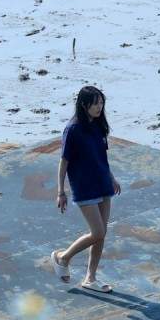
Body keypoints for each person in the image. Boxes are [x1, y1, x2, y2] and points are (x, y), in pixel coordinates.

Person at [51, 86, 121, 290]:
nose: (100, 107)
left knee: (102, 233)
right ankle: (63, 257)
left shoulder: (99, 125)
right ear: (84, 104)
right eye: (95, 103)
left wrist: (112, 178)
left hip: (103, 184)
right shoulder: (72, 130)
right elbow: (63, 162)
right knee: (97, 232)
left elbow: (102, 157)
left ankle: (90, 278)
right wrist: (60, 191)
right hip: (84, 187)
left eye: (101, 103)